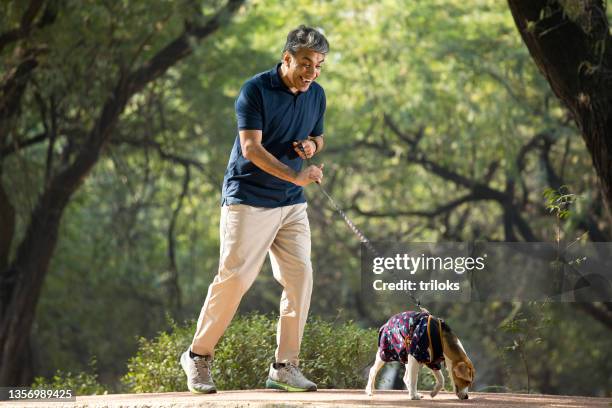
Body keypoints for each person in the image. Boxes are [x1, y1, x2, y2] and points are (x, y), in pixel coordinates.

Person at [180, 25, 328, 393]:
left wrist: (311, 146)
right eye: (306, 63)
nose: (312, 72)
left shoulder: (317, 95)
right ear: (287, 58)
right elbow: (251, 149)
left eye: (319, 65)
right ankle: (197, 356)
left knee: (301, 278)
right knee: (235, 280)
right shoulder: (256, 90)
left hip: (291, 206)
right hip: (248, 200)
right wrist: (295, 178)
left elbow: (319, 135)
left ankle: (284, 365)